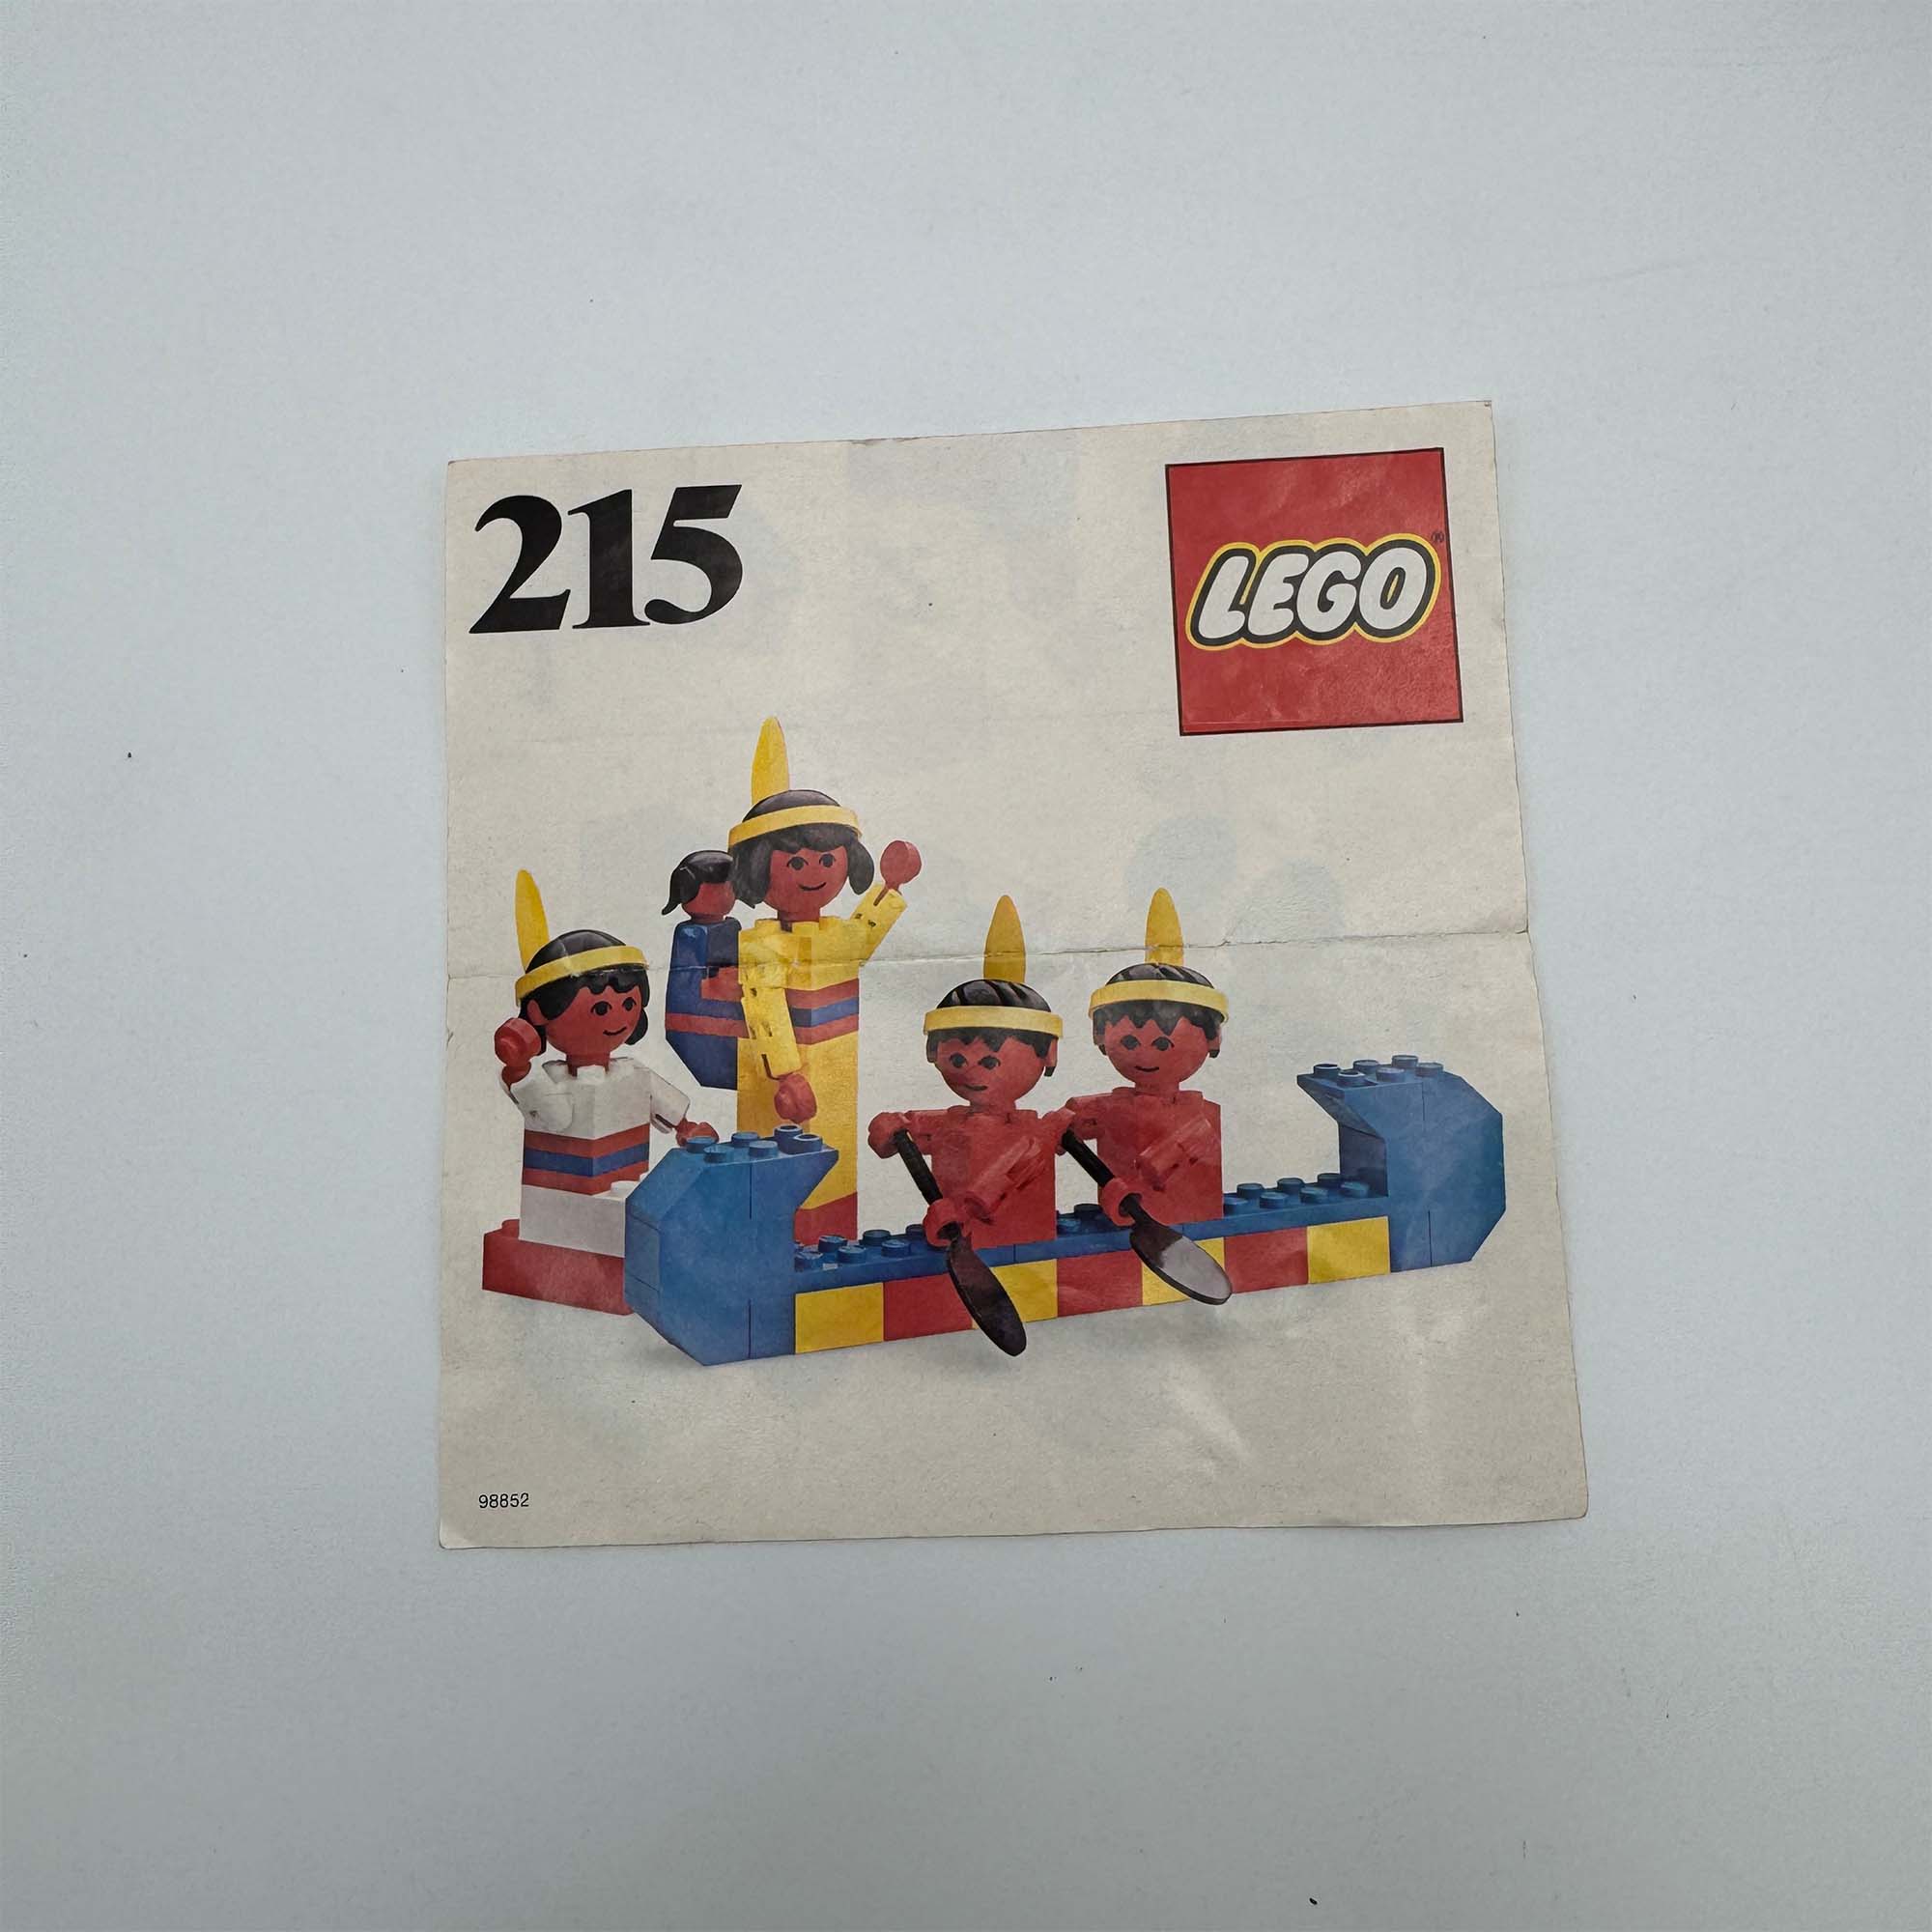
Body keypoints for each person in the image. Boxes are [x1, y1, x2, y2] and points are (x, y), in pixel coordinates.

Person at [727, 717, 921, 1242]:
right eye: (795, 862)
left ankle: (829, 1242)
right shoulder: (762, 944)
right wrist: (786, 1074)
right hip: (782, 1085)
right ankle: (779, 1245)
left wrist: (890, 888)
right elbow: (763, 1008)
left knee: (835, 1162)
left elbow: (861, 939)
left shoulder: (834, 935)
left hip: (837, 1072)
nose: (815, 872)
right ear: (757, 869)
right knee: (782, 1168)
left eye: (827, 859)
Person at [492, 869, 714, 1256]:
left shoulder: (631, 1073)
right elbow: (555, 1117)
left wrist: (686, 1126)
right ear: (540, 1013)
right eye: (600, 1008)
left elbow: (660, 1102)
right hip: (565, 1212)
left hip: (627, 1192)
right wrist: (520, 1070)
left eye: (628, 1004)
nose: (618, 1018)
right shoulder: (553, 1081)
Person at [867, 897, 1069, 1250]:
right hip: (957, 1244)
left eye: (989, 1063)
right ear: (933, 1052)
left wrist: (962, 1209)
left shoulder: (1037, 1134)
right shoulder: (952, 1125)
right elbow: (890, 1141)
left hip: (1030, 1249)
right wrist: (889, 1128)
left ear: (1048, 1053)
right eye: (958, 1060)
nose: (972, 1073)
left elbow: (1014, 1170)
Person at [1068, 889, 1227, 1227]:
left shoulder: (1199, 1116)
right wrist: (1059, 1126)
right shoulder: (1109, 1108)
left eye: (1163, 1044)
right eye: (1129, 1041)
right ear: (1099, 1034)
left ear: (1213, 1037)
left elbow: (1166, 1162)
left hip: (1187, 1224)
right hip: (1124, 1224)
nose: (1144, 1054)